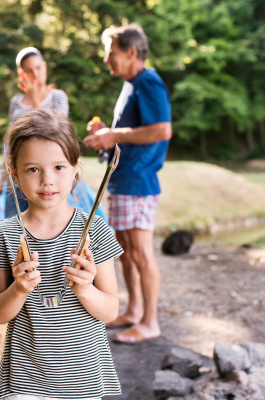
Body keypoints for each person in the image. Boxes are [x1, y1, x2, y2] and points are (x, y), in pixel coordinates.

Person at [0, 109, 123, 399]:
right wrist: (19, 290)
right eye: (33, 169)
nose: (47, 180)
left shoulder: (94, 230)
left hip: (82, 379)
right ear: (14, 173)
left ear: (75, 170)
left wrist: (85, 289)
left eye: (58, 167)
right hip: (26, 381)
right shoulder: (4, 235)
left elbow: (110, 310)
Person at [83, 23, 172, 344]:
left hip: (138, 181)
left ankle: (150, 322)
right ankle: (134, 312)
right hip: (123, 179)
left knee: (141, 254)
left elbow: (162, 130)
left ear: (132, 52)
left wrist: (112, 135)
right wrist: (108, 133)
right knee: (127, 254)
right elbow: (135, 132)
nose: (107, 60)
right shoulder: (130, 83)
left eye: (111, 54)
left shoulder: (148, 82)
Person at [0, 47, 69, 218]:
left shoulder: (58, 97)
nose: (35, 74)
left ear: (44, 67)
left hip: (45, 175)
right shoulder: (16, 102)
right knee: (15, 227)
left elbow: (58, 134)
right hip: (18, 174)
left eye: (38, 68)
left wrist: (35, 99)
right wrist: (2, 177)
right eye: (29, 70)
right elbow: (10, 141)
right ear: (21, 74)